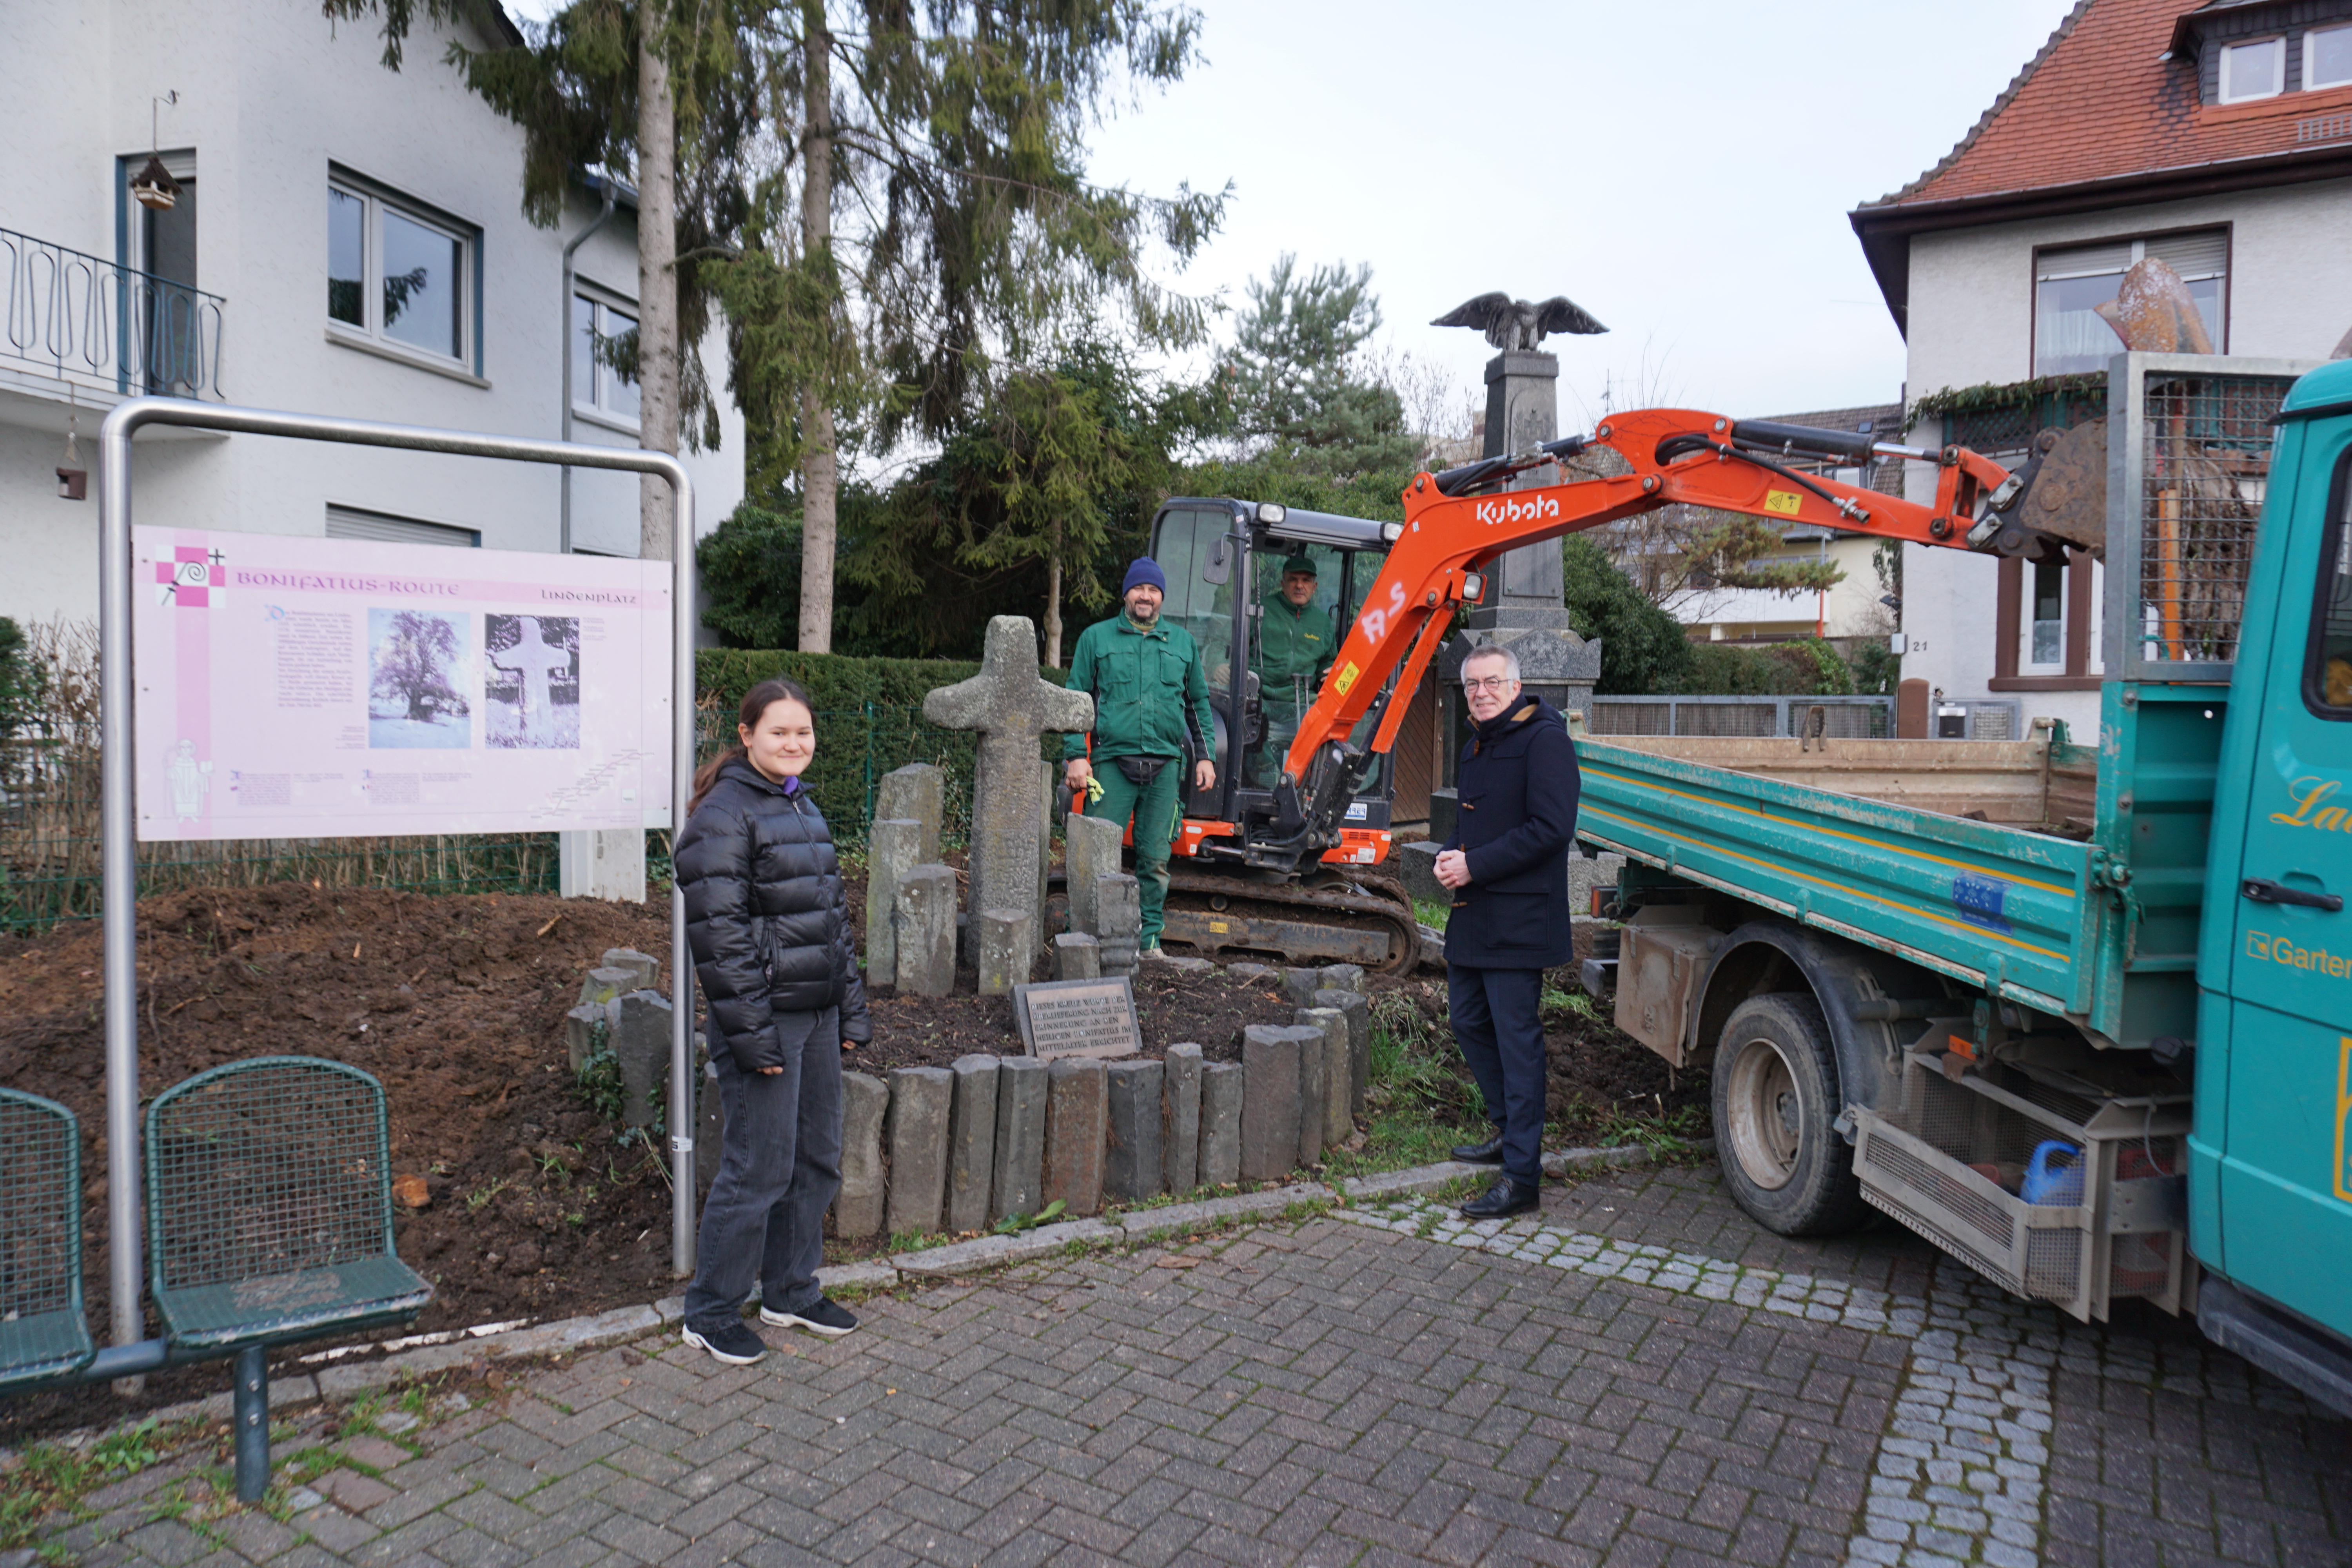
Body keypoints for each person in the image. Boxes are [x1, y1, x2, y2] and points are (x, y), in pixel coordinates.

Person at [672, 678, 872, 1365]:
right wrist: (753, 1037)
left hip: (813, 1017)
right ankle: (711, 1309)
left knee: (817, 1157)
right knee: (758, 1167)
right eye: (780, 732)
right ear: (747, 735)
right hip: (761, 1023)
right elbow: (719, 939)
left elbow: (832, 923)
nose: (794, 744)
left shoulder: (799, 806)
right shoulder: (725, 815)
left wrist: (849, 1008)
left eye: (804, 733)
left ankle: (789, 1289)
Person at [1434, 644, 1581, 1220]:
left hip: (1518, 918)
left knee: (1518, 1044)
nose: (1481, 693)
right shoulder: (1478, 742)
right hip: (1475, 913)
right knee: (1467, 1020)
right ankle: (1506, 1131)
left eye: (1492, 682)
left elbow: (1551, 829)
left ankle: (1522, 1177)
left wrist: (1474, 865)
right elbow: (1475, 823)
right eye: (1472, 685)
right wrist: (1451, 855)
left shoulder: (1545, 741)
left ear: (1515, 686)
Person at [1063, 558, 1216, 955]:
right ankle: (1086, 941)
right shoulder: (1096, 639)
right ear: (1126, 594)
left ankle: (1149, 942)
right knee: (1097, 853)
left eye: (1153, 590)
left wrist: (1206, 757)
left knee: (1155, 858)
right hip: (1111, 764)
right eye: (1138, 589)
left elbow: (1197, 702)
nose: (1145, 596)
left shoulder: (1182, 643)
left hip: (1166, 766)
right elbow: (1074, 699)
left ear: (1161, 597)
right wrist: (1075, 756)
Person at [1250, 555, 1332, 786]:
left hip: (1300, 700)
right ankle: (1270, 778)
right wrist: (1219, 665)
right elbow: (1224, 641)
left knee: (1326, 721)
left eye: (1306, 580)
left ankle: (1309, 786)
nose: (1299, 585)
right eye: (1293, 579)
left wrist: (1336, 674)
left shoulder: (1322, 623)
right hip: (1259, 697)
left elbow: (1330, 662)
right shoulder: (1260, 610)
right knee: (1246, 717)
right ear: (1282, 584)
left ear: (1314, 587)